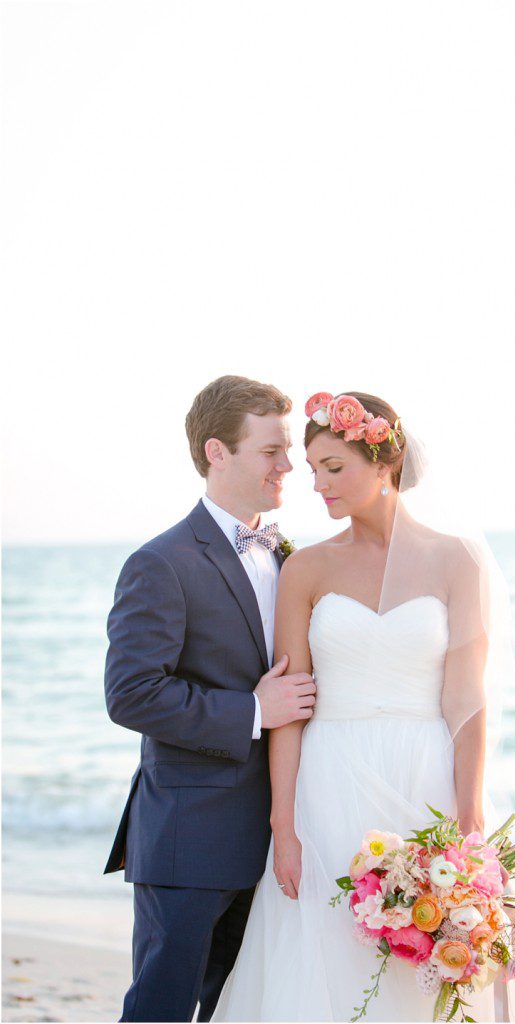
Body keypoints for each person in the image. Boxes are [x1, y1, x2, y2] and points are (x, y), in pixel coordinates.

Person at [211, 390, 515, 1022]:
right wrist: (284, 824)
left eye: (333, 468)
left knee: (427, 957)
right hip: (327, 783)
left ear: (385, 464)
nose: (318, 485)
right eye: (313, 470)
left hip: (426, 776)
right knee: (326, 956)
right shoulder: (305, 568)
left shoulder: (457, 559)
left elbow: (467, 700)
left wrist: (470, 817)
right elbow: (291, 707)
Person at [104, 374, 317, 1022]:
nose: (289, 465)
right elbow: (131, 694)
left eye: (289, 451)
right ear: (217, 452)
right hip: (188, 839)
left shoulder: (288, 556)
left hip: (279, 836)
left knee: (238, 1009)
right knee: (162, 1009)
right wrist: (254, 711)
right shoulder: (161, 562)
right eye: (272, 450)